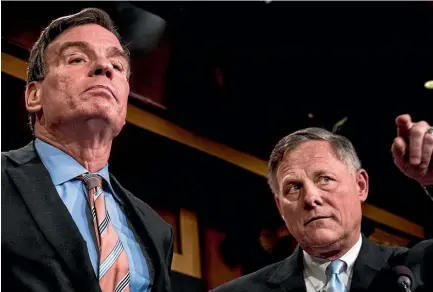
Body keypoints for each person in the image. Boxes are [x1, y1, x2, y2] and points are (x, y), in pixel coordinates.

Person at [2, 8, 174, 292]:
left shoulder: (156, 231)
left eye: (117, 67)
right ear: (34, 95)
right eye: (77, 58)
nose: (104, 68)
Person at [211, 114, 433, 292]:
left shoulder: (418, 270)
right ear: (280, 208)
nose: (310, 198)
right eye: (294, 188)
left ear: (361, 186)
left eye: (325, 179)